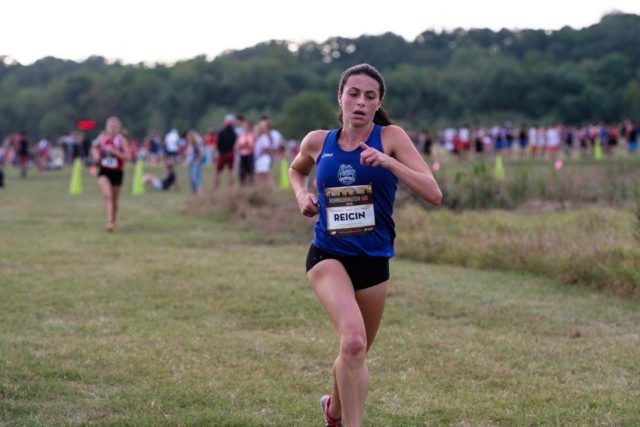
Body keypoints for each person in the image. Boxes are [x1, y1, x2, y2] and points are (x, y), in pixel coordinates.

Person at [288, 63, 442, 427]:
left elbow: (433, 193)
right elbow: (297, 170)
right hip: (328, 255)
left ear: (378, 103)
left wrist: (389, 162)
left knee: (354, 352)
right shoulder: (317, 141)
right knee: (354, 342)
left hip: (373, 261)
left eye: (369, 96)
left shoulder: (391, 138)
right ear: (340, 98)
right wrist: (301, 196)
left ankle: (334, 411)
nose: (360, 102)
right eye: (353, 94)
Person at [91, 116, 131, 233]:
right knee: (107, 196)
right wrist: (96, 155)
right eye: (110, 126)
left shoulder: (121, 140)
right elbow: (94, 147)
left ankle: (113, 221)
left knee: (114, 199)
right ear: (106, 127)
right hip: (104, 171)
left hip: (117, 173)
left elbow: (128, 157)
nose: (112, 129)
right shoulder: (102, 138)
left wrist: (115, 152)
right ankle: (109, 222)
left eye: (115, 126)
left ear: (119, 129)